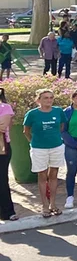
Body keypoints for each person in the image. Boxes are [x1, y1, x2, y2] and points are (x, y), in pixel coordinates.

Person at [24, 89, 66, 217]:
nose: (48, 100)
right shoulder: (32, 114)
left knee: (53, 175)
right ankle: (44, 206)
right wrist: (33, 143)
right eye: (45, 98)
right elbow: (26, 131)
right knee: (42, 176)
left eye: (51, 97)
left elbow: (62, 126)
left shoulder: (58, 111)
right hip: (39, 149)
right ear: (38, 100)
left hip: (56, 147)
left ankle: (53, 204)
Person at [0, 88, 16, 220]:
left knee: (2, 180)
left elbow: (2, 126)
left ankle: (7, 212)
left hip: (2, 149)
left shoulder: (5, 107)